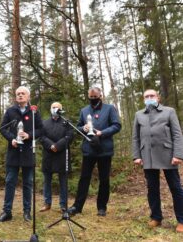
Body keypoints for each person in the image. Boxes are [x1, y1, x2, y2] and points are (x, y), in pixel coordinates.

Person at [132, 89, 183, 233]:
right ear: (143, 99)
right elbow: (135, 137)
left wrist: (178, 154)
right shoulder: (139, 115)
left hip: (168, 155)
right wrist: (136, 155)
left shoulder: (169, 111)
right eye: (146, 96)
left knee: (176, 188)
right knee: (152, 188)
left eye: (152, 96)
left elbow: (177, 134)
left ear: (158, 98)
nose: (149, 98)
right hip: (147, 156)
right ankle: (156, 217)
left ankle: (181, 220)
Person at [67, 87, 121, 217]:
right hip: (89, 149)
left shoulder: (109, 109)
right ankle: (77, 207)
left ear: (100, 95)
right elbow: (78, 127)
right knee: (84, 179)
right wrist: (83, 128)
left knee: (104, 179)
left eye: (95, 96)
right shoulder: (84, 110)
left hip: (104, 149)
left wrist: (102, 133)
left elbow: (116, 125)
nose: (92, 99)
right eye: (90, 97)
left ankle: (102, 207)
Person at [0, 86, 43, 222]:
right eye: (18, 94)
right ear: (16, 97)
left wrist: (29, 135)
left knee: (27, 183)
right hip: (13, 152)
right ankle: (7, 212)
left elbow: (41, 129)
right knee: (10, 181)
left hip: (28, 152)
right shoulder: (10, 111)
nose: (20, 95)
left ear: (28, 96)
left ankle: (27, 212)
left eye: (23, 93)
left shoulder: (34, 112)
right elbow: (2, 128)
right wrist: (12, 139)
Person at [39, 102, 73, 213]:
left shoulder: (67, 122)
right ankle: (47, 203)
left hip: (62, 154)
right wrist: (51, 145)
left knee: (63, 181)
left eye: (58, 108)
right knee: (47, 180)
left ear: (61, 109)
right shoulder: (44, 123)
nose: (55, 109)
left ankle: (63, 204)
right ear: (50, 109)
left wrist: (58, 146)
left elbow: (69, 136)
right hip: (48, 154)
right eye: (53, 107)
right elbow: (41, 137)